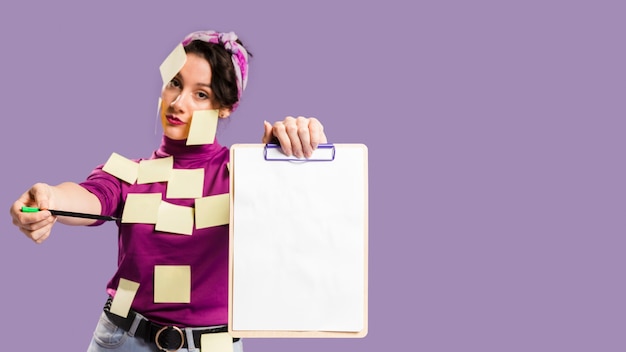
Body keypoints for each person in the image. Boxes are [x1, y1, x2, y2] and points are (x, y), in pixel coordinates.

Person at [9, 30, 327, 352]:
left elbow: (294, 222)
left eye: (200, 94)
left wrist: (286, 160)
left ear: (226, 107)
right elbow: (92, 196)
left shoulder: (242, 174)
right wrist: (51, 198)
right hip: (120, 340)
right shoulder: (129, 174)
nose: (177, 102)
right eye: (175, 83)